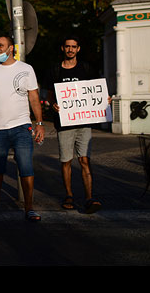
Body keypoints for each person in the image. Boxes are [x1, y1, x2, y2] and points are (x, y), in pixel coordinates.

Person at [0, 35, 44, 221]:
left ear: (11, 48)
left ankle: (29, 207)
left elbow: (34, 98)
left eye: (1, 45)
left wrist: (39, 124)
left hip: (22, 127)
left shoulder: (26, 69)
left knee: (26, 166)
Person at [45, 35, 106, 214]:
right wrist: (52, 104)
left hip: (84, 122)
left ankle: (89, 197)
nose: (70, 49)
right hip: (64, 123)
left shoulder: (87, 68)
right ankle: (69, 195)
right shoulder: (55, 70)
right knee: (66, 160)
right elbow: (49, 93)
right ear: (62, 48)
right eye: (67, 46)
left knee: (85, 159)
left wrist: (104, 100)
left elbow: (97, 90)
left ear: (78, 49)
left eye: (74, 47)